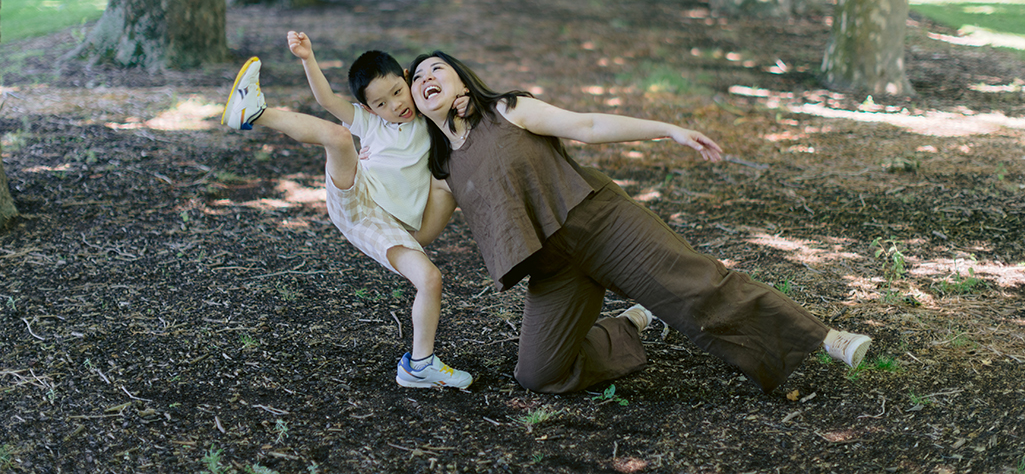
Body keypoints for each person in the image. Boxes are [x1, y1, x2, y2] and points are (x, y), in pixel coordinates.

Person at [407, 50, 871, 395]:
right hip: (553, 268)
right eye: (419, 78)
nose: (427, 78)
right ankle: (628, 326)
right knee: (538, 375)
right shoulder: (443, 170)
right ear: (414, 104)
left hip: (601, 224)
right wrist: (366, 200)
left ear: (461, 78)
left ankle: (825, 337)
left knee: (698, 288)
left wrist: (667, 130)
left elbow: (587, 126)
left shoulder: (507, 110)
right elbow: (422, 235)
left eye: (437, 69)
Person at [221, 32, 471, 390]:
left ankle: (420, 365)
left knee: (430, 279)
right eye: (381, 103)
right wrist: (308, 58)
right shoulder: (371, 123)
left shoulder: (430, 122)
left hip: (388, 224)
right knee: (339, 138)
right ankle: (256, 113)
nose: (396, 106)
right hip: (357, 198)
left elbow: (456, 110)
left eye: (398, 92)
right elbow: (326, 100)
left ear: (406, 78)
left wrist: (463, 99)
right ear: (369, 109)